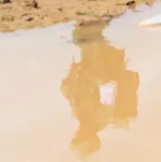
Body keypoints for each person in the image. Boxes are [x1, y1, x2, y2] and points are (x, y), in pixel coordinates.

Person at [60, 18, 139, 158]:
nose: (76, 134)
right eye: (78, 138)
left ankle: (93, 27)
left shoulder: (89, 118)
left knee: (81, 38)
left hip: (96, 69)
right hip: (101, 67)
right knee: (86, 40)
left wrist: (73, 85)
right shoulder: (101, 116)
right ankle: (95, 26)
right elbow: (109, 87)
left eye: (76, 138)